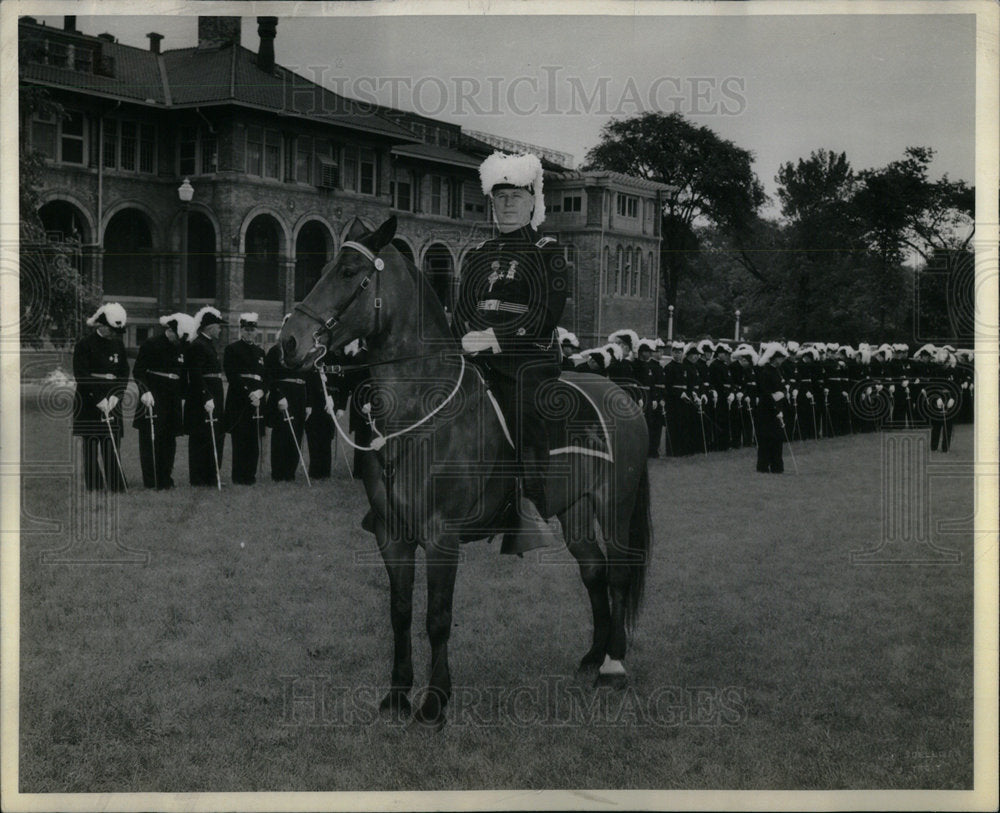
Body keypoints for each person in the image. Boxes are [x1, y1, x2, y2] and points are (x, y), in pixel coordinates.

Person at [453, 151, 569, 552]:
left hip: (528, 357)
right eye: (499, 196)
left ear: (532, 202)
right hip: (479, 355)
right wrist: (466, 335)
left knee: (522, 410)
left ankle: (530, 505)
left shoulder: (548, 249)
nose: (506, 203)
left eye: (515, 196)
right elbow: (464, 304)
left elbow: (545, 313)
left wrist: (498, 340)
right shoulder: (480, 252)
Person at [72, 303, 131, 491]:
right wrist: (98, 399)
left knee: (112, 443)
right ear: (102, 326)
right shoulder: (84, 344)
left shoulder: (118, 344)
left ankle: (116, 484)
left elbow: (124, 371)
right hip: (89, 400)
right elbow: (81, 374)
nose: (115, 334)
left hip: (112, 399)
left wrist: (117, 395)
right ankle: (95, 485)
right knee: (90, 445)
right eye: (113, 330)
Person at [132, 312, 187, 489]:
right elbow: (139, 371)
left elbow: (182, 374)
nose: (180, 339)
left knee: (169, 440)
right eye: (178, 335)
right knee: (150, 440)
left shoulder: (181, 346)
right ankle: (151, 480)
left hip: (173, 398)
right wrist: (144, 392)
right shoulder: (151, 344)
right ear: (170, 330)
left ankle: (165, 477)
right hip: (154, 396)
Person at [223, 313, 266, 485]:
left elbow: (266, 377)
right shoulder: (232, 349)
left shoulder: (260, 352)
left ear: (256, 331)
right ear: (241, 330)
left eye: (252, 330)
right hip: (239, 399)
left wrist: (261, 392)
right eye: (246, 330)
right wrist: (249, 393)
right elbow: (232, 375)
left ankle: (250, 475)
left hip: (257, 399)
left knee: (254, 438)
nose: (250, 333)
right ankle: (239, 476)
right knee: (240, 438)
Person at [185, 306, 226, 486]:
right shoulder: (198, 345)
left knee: (214, 435)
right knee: (201, 437)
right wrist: (206, 396)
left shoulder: (208, 344)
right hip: (203, 397)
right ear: (209, 327)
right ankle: (199, 478)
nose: (220, 329)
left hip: (214, 393)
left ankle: (211, 475)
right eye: (218, 326)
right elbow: (195, 374)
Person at [264, 320, 309, 482]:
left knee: (296, 432)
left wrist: (308, 403)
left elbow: (308, 377)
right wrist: (279, 395)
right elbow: (271, 376)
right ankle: (278, 471)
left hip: (299, 395)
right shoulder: (276, 352)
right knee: (281, 433)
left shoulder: (303, 351)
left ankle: (290, 471)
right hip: (282, 394)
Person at [755, 342, 789, 473]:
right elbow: (765, 392)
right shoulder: (766, 372)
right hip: (767, 410)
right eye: (780, 358)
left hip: (776, 407)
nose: (782, 360)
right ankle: (763, 466)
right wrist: (775, 408)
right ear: (774, 358)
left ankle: (776, 466)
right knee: (766, 438)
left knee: (777, 438)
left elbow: (781, 388)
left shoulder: (777, 371)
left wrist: (783, 394)